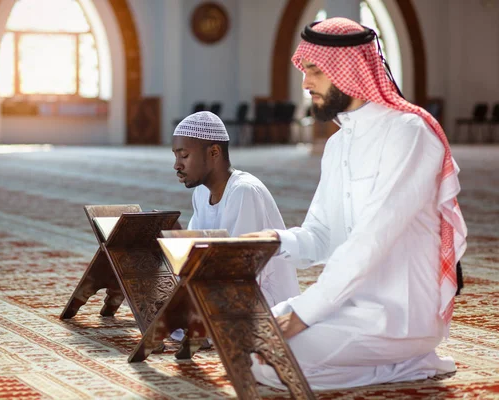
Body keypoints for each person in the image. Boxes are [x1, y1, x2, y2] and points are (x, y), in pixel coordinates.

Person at [244, 18, 467, 390]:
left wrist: (305, 311)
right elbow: (321, 234)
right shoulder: (337, 145)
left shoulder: (409, 133)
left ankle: (411, 359)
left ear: (349, 71)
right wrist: (275, 241)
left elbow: (373, 238)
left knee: (277, 363)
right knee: (248, 338)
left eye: (315, 71)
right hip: (345, 305)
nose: (305, 82)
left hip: (398, 314)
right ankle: (394, 365)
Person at [171, 111, 301, 309]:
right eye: (176, 156)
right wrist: (175, 239)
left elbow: (238, 271)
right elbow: (198, 256)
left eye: (184, 155)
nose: (177, 165)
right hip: (222, 287)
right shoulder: (200, 192)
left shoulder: (243, 191)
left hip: (263, 300)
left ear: (214, 152)